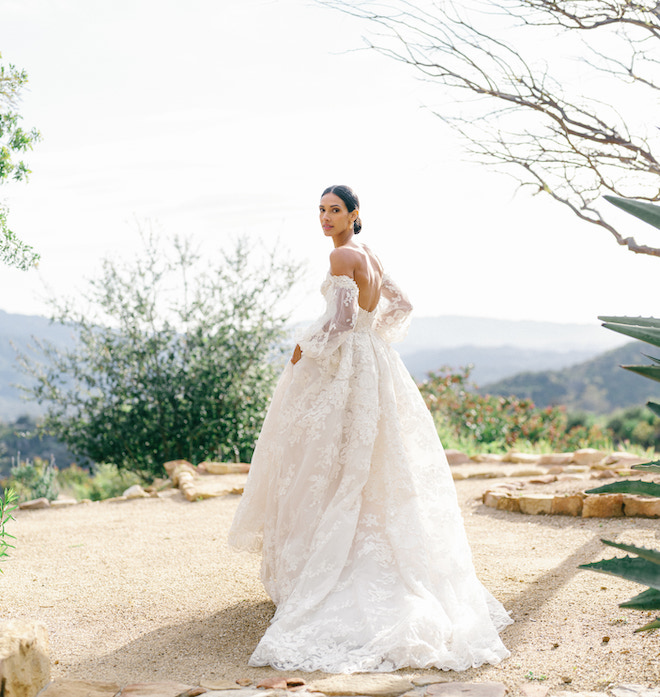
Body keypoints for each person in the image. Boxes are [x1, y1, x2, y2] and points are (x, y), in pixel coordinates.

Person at [228, 185, 512, 673]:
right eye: (320, 210)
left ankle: (331, 571)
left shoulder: (342, 255)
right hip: (376, 361)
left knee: (331, 460)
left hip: (347, 365)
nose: (325, 217)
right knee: (374, 459)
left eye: (334, 210)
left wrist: (303, 348)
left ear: (354, 214)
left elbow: (337, 325)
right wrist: (371, 333)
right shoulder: (369, 254)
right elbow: (402, 304)